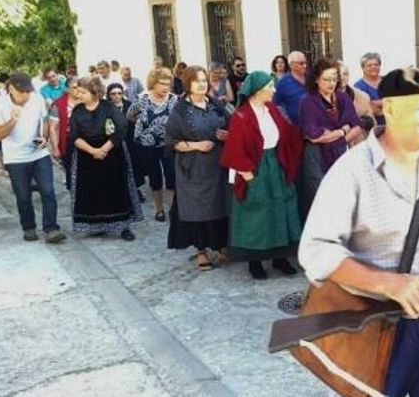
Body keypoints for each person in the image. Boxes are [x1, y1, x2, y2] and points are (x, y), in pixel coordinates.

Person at [298, 67, 419, 397]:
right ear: (389, 108)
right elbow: (316, 251)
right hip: (377, 326)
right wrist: (387, 283)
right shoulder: (352, 171)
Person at [220, 71, 303, 280]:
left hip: (275, 165)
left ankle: (280, 257)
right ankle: (254, 261)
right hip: (255, 169)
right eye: (270, 87)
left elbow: (287, 133)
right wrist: (249, 177)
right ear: (257, 91)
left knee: (281, 209)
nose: (274, 90)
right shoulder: (241, 116)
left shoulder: (272, 109)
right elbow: (236, 149)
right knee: (256, 214)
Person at [166, 67, 230, 271]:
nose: (202, 84)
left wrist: (225, 135)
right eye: (197, 81)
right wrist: (196, 145)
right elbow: (172, 141)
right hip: (193, 168)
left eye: (204, 80)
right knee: (197, 209)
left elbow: (230, 125)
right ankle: (201, 250)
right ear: (187, 84)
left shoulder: (216, 105)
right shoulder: (181, 110)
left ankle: (220, 244)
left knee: (219, 204)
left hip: (217, 165)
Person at [0, 73, 65, 244]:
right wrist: (13, 120)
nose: (26, 95)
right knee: (23, 195)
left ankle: (51, 229)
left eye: (28, 90)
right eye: (21, 91)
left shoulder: (37, 99)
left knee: (48, 191)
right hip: (15, 158)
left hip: (38, 154)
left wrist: (43, 137)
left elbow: (44, 121)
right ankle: (29, 227)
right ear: (11, 88)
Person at [69, 77, 141, 241]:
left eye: (82, 91)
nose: (78, 94)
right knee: (91, 191)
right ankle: (96, 225)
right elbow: (74, 135)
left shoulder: (108, 107)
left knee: (117, 189)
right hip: (86, 155)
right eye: (77, 91)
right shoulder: (77, 110)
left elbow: (121, 127)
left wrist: (104, 149)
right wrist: (92, 150)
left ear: (94, 92)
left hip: (111, 153)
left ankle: (123, 226)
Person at [298, 59, 363, 217]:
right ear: (316, 79)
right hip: (316, 156)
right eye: (326, 79)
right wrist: (342, 131)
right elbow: (314, 137)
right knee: (321, 195)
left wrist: (335, 137)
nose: (331, 83)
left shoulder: (342, 98)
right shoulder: (308, 102)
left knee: (342, 194)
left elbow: (356, 126)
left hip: (340, 152)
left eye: (334, 78)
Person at [128, 67, 177, 222]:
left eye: (167, 84)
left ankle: (173, 209)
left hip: (167, 143)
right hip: (146, 144)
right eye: (161, 83)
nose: (165, 87)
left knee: (171, 175)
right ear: (153, 83)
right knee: (155, 177)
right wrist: (143, 126)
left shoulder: (174, 100)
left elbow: (179, 120)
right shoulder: (142, 99)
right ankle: (159, 209)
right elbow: (129, 115)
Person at [106, 83, 145, 198]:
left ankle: (136, 190)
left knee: (133, 167)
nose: (117, 96)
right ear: (109, 95)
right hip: (114, 143)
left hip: (130, 141)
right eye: (113, 94)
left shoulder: (130, 105)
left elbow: (140, 121)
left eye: (119, 93)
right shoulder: (106, 108)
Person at [48, 77, 81, 191]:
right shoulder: (59, 105)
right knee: (71, 171)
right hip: (69, 142)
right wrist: (55, 148)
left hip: (87, 140)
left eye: (80, 87)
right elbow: (53, 128)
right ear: (67, 89)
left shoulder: (86, 101)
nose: (78, 90)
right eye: (75, 87)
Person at [338, 61, 375, 143]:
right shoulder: (324, 97)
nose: (342, 78)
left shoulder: (362, 97)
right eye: (338, 74)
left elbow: (371, 122)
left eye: (345, 74)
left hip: (358, 144)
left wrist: (359, 122)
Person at [272, 51, 308, 124]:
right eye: (301, 63)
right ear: (291, 65)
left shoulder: (311, 79)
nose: (305, 66)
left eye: (305, 63)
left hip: (314, 127)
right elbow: (277, 105)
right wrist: (287, 121)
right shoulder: (283, 83)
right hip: (294, 128)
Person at [354, 52, 384, 124]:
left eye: (376, 65)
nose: (373, 67)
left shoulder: (388, 81)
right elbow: (368, 111)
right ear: (363, 68)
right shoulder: (358, 87)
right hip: (372, 126)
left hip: (394, 125)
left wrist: (377, 103)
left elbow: (397, 103)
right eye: (369, 65)